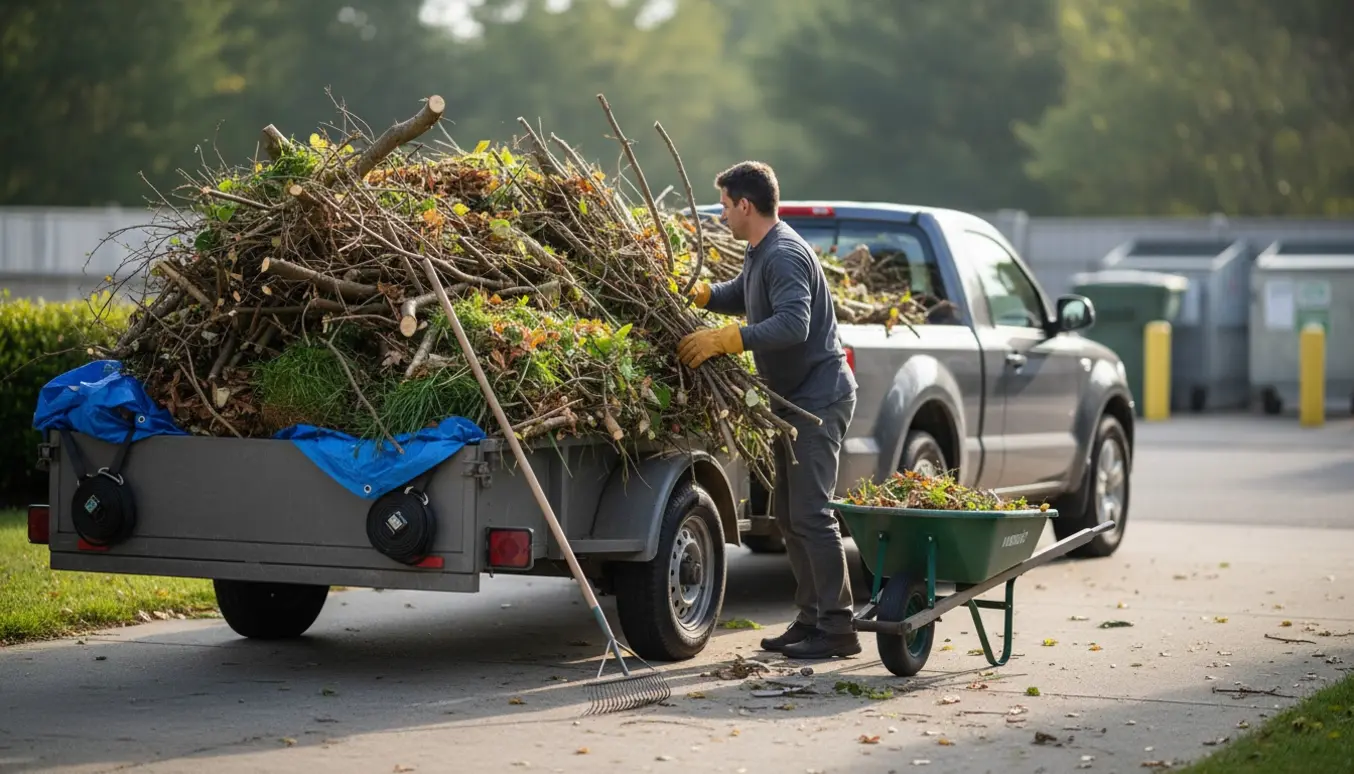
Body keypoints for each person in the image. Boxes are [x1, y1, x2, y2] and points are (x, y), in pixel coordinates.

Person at [677, 161, 860, 659]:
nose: (722, 214)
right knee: (788, 514)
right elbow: (745, 296)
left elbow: (793, 324)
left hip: (819, 400)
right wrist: (706, 295)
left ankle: (838, 628)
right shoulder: (761, 251)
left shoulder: (781, 253)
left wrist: (728, 339)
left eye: (725, 205)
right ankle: (810, 618)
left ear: (745, 205)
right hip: (794, 400)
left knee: (811, 514)